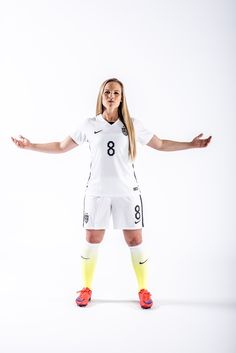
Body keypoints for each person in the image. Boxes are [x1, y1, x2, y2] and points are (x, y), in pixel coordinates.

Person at [11, 78, 212, 309]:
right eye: (107, 92)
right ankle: (86, 288)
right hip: (97, 194)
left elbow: (160, 144)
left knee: (135, 240)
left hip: (127, 193)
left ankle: (144, 289)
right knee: (92, 239)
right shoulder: (89, 124)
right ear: (101, 95)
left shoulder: (131, 125)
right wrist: (30, 145)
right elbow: (60, 146)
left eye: (116, 93)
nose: (111, 96)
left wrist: (191, 144)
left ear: (121, 97)